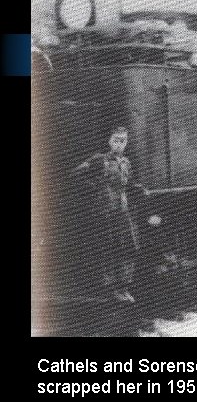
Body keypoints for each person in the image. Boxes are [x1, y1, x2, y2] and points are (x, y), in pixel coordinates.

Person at [73, 126, 142, 303]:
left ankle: (124, 286)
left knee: (129, 246)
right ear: (109, 141)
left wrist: (139, 188)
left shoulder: (126, 162)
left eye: (123, 140)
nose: (119, 144)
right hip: (106, 211)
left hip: (124, 211)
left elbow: (128, 183)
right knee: (109, 248)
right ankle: (111, 288)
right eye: (116, 140)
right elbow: (77, 173)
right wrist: (96, 187)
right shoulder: (99, 160)